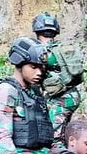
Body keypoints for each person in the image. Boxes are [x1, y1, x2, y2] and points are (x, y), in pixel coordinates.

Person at [32, 12, 84, 145]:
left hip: (62, 99)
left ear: (37, 31)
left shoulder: (43, 53)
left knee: (55, 137)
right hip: (71, 96)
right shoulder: (60, 48)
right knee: (63, 132)